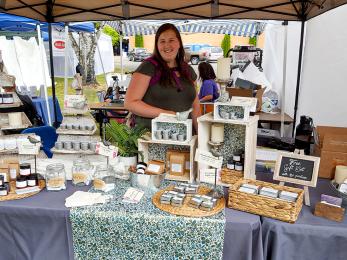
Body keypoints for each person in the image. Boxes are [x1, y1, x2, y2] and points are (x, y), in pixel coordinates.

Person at [124, 23, 201, 131]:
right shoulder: (148, 67)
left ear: (179, 43)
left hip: (185, 139)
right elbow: (130, 103)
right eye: (162, 41)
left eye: (171, 40)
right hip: (151, 139)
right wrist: (170, 115)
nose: (166, 45)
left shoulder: (188, 71)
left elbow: (195, 108)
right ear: (157, 45)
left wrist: (199, 135)